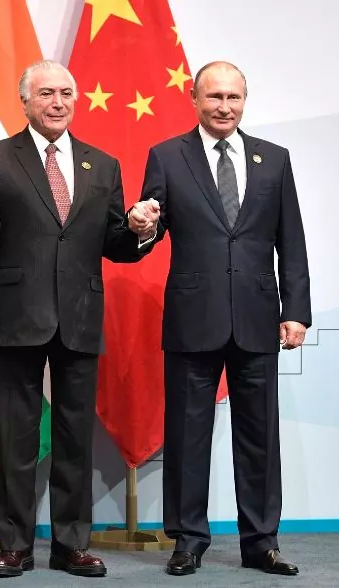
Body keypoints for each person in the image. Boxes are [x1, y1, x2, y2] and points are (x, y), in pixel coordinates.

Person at [0, 60, 152, 579]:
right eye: (46, 93)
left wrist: (137, 228)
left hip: (81, 313)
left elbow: (115, 244)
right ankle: (15, 545)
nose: (58, 102)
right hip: (20, 313)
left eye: (67, 92)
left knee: (74, 438)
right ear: (24, 101)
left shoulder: (102, 164)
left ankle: (71, 545)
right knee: (16, 439)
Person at [129, 61, 311, 577]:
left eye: (233, 97)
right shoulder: (167, 155)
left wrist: (295, 309)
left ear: (245, 99)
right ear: (194, 99)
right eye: (214, 98)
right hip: (193, 315)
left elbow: (290, 241)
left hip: (257, 316)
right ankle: (188, 539)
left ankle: (261, 541)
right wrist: (140, 224)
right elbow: (149, 229)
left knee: (260, 435)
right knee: (187, 434)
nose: (224, 107)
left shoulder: (274, 159)